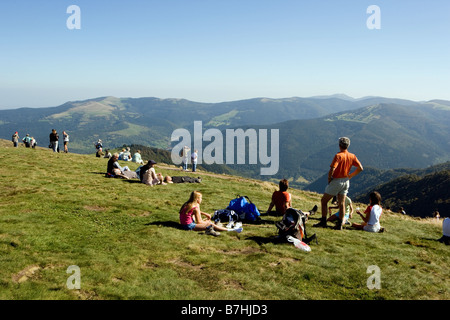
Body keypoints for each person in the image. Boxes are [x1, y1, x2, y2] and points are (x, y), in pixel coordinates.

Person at [314, 137, 363, 230]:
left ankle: (323, 222)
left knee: (324, 201)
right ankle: (340, 224)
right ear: (348, 146)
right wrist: (351, 175)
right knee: (342, 203)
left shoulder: (338, 156)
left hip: (337, 181)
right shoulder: (352, 156)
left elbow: (332, 168)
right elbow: (360, 168)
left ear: (339, 145)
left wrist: (329, 178)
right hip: (346, 181)